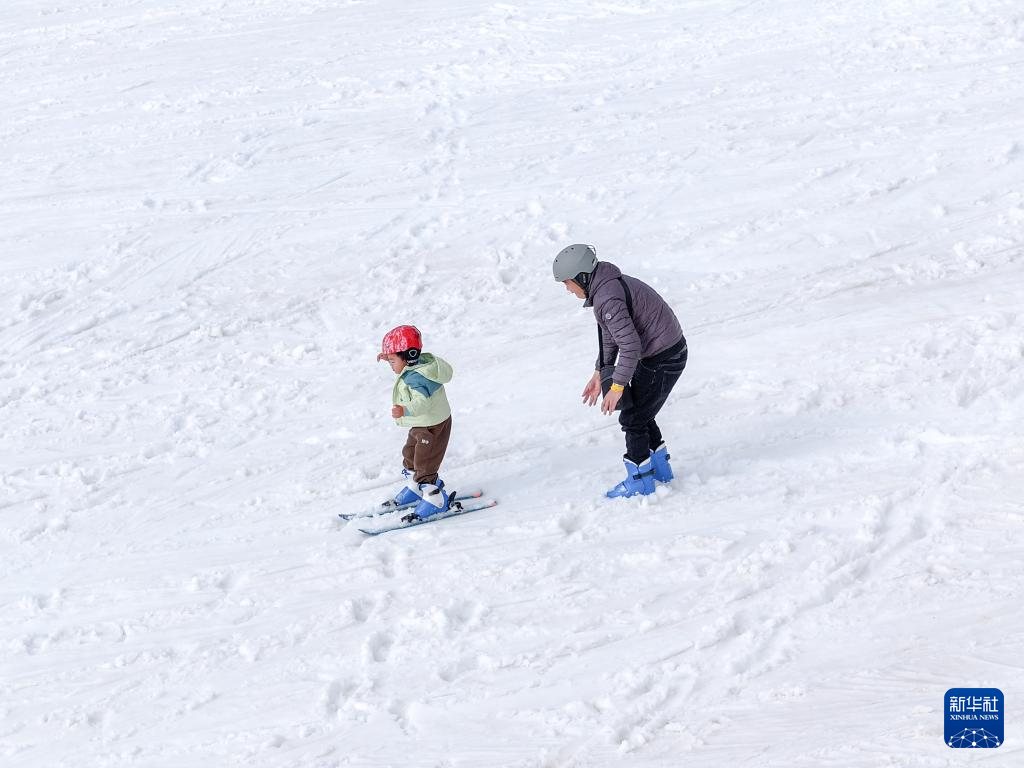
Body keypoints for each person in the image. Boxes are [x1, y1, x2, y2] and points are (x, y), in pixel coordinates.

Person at [553, 244, 688, 498]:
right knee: (641, 412)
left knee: (632, 417)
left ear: (582, 277)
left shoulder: (607, 299)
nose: (567, 289)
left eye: (567, 283)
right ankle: (660, 469)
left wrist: (616, 387)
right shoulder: (607, 286)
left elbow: (629, 344)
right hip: (663, 352)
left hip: (664, 357)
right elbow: (611, 336)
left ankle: (640, 481)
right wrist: (599, 372)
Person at [376, 325, 454, 520]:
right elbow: (402, 362)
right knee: (410, 453)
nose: (391, 364)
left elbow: (423, 403)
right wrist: (390, 356)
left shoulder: (419, 378)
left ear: (409, 356)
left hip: (433, 425)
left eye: (392, 360)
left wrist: (405, 410)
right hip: (422, 424)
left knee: (425, 462)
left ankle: (436, 498)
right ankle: (416, 487)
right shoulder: (413, 367)